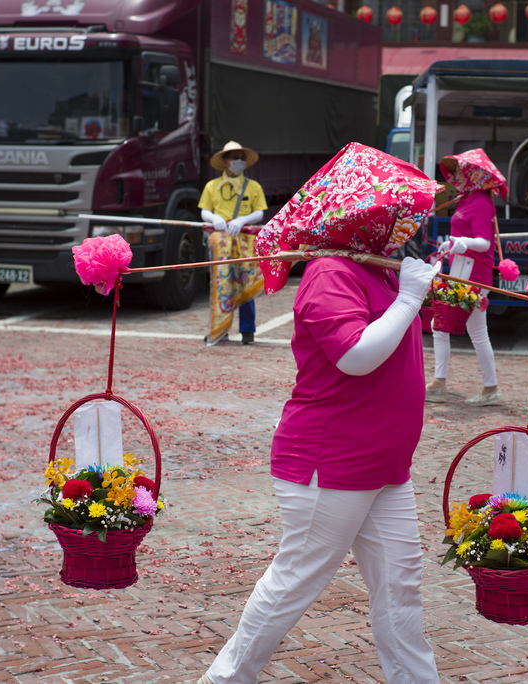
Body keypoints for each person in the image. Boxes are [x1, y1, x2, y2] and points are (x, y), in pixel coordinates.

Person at [198, 143, 442, 684]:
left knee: (401, 585)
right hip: (330, 462)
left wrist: (409, 292)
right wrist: (408, 301)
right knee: (294, 582)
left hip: (382, 466)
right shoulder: (332, 272)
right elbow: (356, 357)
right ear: (365, 216)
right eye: (397, 215)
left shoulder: (377, 269)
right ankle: (223, 680)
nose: (406, 226)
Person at [426, 149, 506, 407]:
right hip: (461, 270)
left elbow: (484, 243)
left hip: (475, 275)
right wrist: (451, 247)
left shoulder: (481, 202)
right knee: (443, 325)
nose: (456, 177)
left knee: (474, 332)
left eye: (461, 172)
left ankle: (488, 388)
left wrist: (462, 242)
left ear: (473, 175)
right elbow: (466, 239)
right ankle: (442, 382)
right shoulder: (466, 199)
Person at [199, 141, 268, 345]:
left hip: (245, 242)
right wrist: (214, 218)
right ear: (225, 161)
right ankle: (220, 330)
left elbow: (259, 212)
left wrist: (242, 220)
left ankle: (248, 331)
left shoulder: (253, 186)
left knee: (246, 283)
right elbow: (204, 210)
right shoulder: (211, 186)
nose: (239, 161)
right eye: (234, 157)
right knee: (221, 285)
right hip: (220, 245)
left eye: (241, 158)